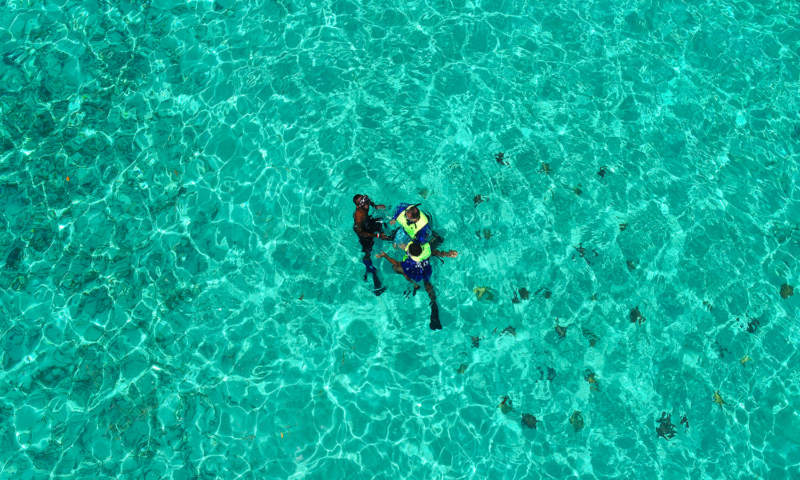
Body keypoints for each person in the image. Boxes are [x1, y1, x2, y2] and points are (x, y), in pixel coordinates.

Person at [375, 241, 457, 330]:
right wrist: (448, 254)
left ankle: (414, 284)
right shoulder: (426, 252)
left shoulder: (409, 262)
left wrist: (386, 256)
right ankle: (433, 302)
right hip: (426, 271)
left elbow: (395, 263)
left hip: (416, 275)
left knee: (396, 268)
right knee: (427, 284)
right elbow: (435, 251)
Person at [353, 194, 390, 296]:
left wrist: (375, 206)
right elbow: (360, 233)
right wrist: (376, 235)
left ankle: (385, 238)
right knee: (367, 251)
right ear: (358, 206)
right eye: (362, 203)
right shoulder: (358, 216)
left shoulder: (365, 204)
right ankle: (370, 270)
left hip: (367, 222)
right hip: (363, 232)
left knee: (382, 222)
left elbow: (369, 202)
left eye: (365, 200)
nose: (365, 203)